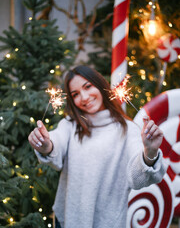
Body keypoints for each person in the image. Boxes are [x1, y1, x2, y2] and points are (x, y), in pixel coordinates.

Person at [28, 65, 166, 228]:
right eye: (76, 94)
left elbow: (137, 178)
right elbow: (55, 145)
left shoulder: (128, 129)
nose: (84, 97)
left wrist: (149, 151)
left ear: (100, 85)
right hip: (67, 219)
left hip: (108, 222)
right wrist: (45, 145)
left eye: (88, 86)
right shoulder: (70, 126)